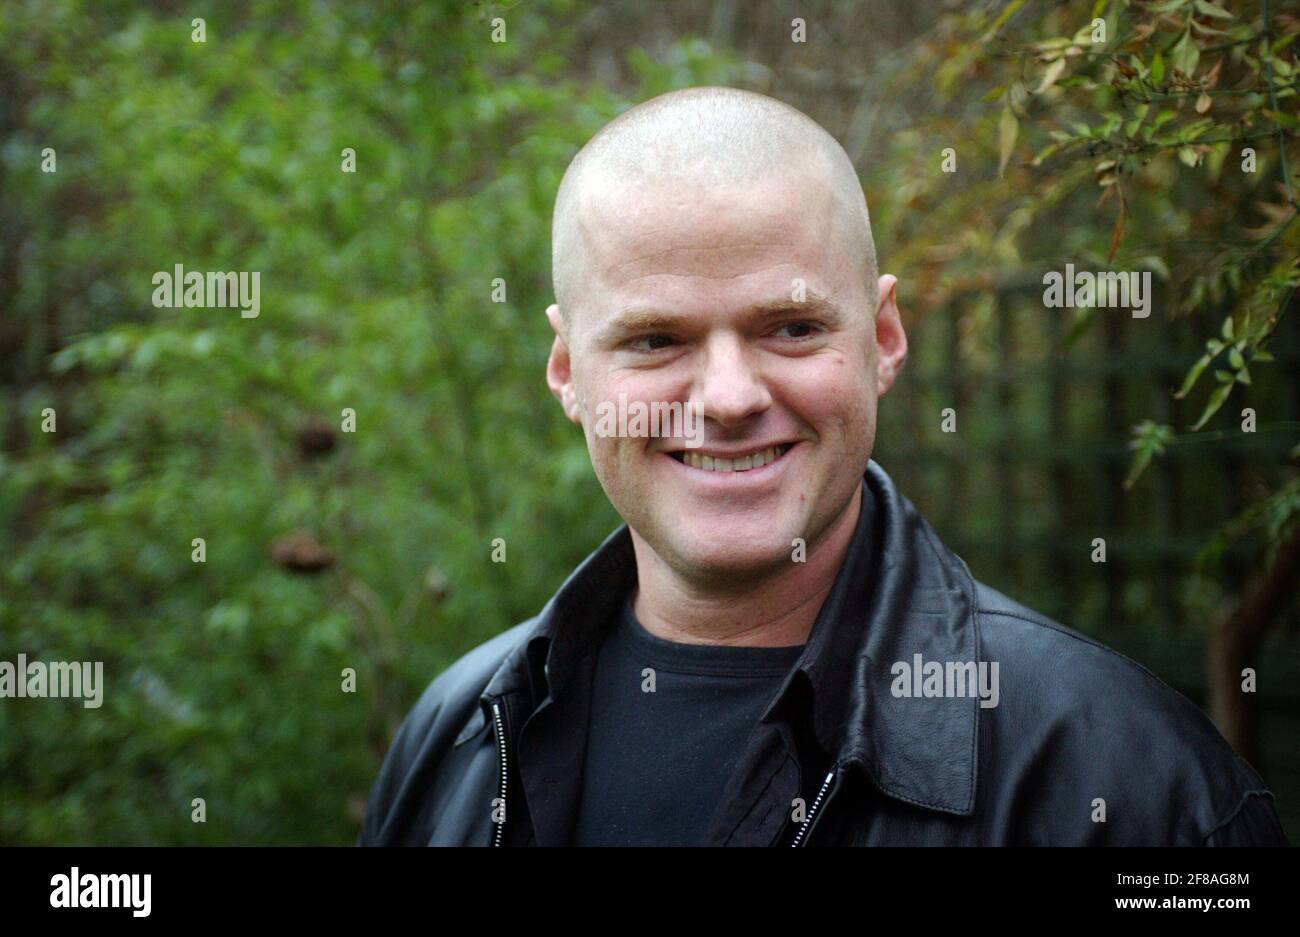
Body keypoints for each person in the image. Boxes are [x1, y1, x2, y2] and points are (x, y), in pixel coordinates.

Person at [359, 86, 1288, 846]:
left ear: (883, 337)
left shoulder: (1128, 783)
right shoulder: (458, 738)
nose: (726, 397)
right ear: (569, 371)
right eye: (654, 339)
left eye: (793, 328)